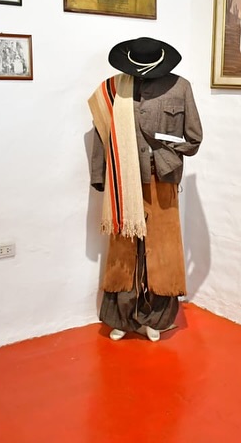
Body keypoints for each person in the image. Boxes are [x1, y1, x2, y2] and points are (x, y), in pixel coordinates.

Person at [88, 37, 202, 342]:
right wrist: (100, 176)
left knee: (162, 250)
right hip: (123, 180)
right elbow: (102, 136)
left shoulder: (180, 88)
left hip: (162, 179)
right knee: (124, 249)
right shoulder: (113, 89)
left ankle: (157, 318)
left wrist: (165, 153)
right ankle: (121, 318)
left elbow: (193, 139)